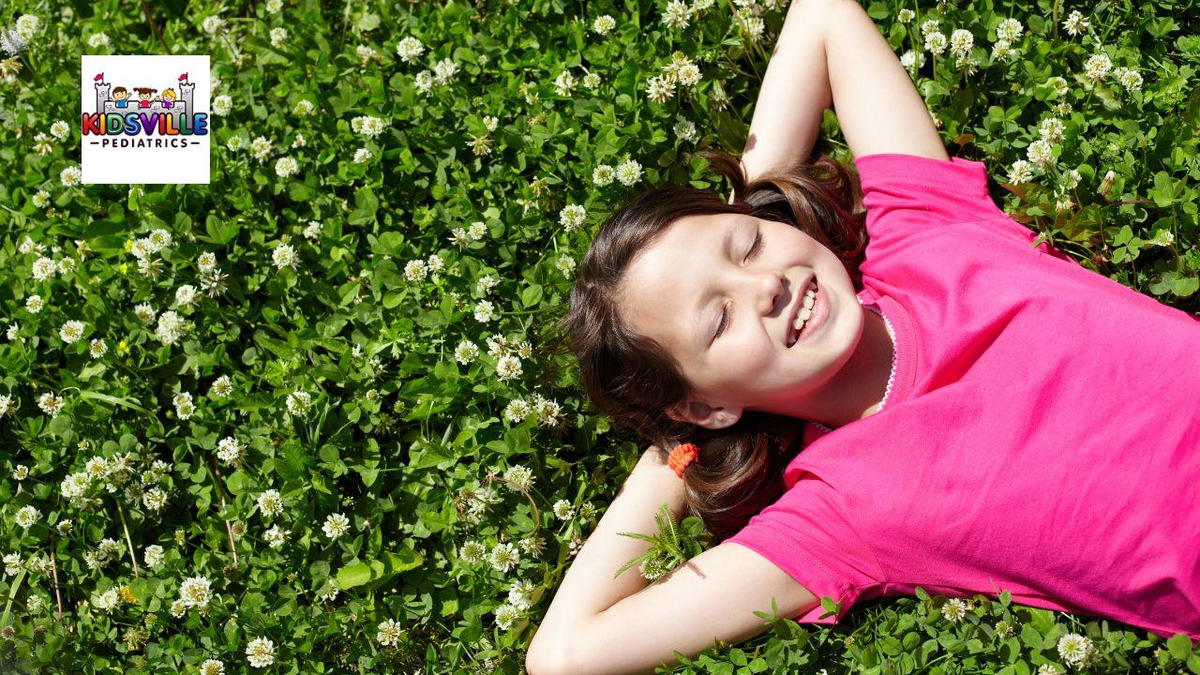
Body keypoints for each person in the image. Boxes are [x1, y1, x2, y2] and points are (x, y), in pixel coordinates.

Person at [525, 0, 1200, 673]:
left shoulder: (928, 234)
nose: (766, 287)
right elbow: (563, 656)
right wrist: (678, 446)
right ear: (706, 403)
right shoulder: (840, 515)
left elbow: (824, 19)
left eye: (751, 246)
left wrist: (750, 207)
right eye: (720, 318)